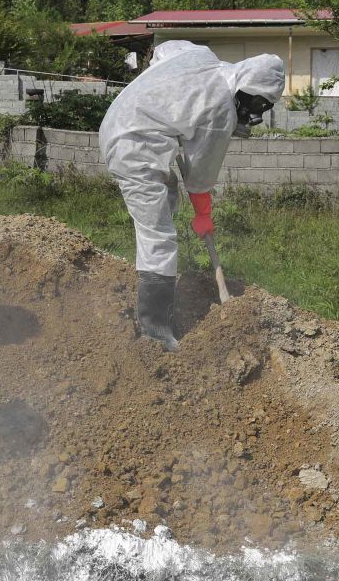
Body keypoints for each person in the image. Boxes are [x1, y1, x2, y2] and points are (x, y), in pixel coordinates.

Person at [100, 43, 285, 351]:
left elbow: (165, 50)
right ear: (247, 90)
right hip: (133, 144)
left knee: (167, 197)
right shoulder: (220, 110)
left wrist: (166, 99)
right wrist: (203, 215)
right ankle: (155, 330)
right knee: (157, 233)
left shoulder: (201, 57)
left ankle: (158, 302)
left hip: (128, 123)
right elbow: (201, 176)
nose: (256, 113)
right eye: (258, 105)